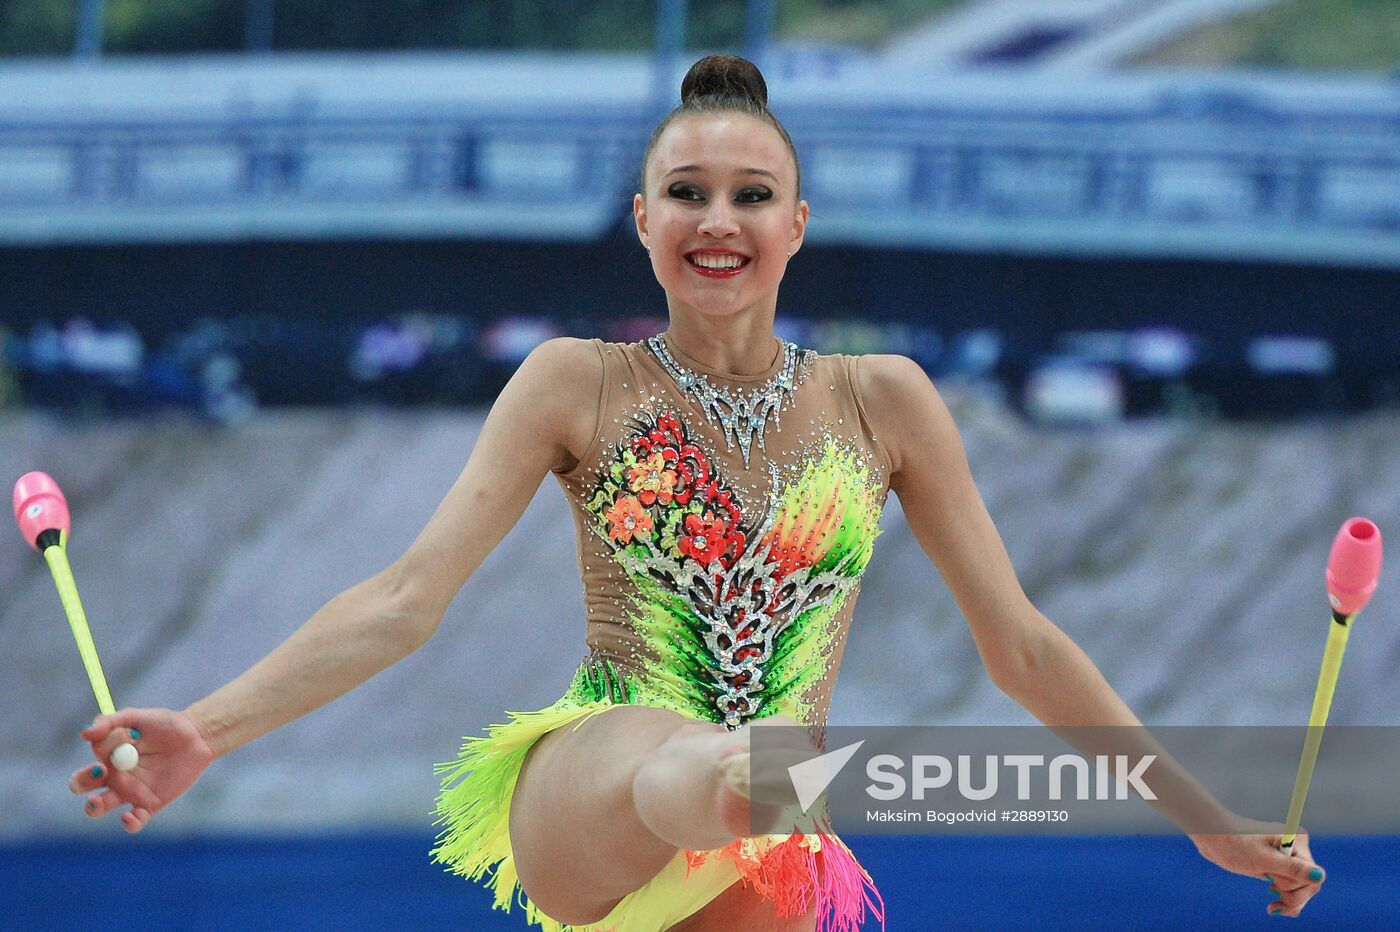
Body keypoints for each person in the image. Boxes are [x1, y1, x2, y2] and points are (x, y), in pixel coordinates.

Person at [69, 55, 1327, 929]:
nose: (715, 218)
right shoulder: (576, 380)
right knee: (726, 767)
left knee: (768, 789)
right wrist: (210, 730)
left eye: (749, 195)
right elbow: (405, 598)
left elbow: (1024, 643)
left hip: (774, 830)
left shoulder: (883, 400)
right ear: (641, 219)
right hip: (599, 786)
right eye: (686, 192)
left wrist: (1197, 814)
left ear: (795, 225)